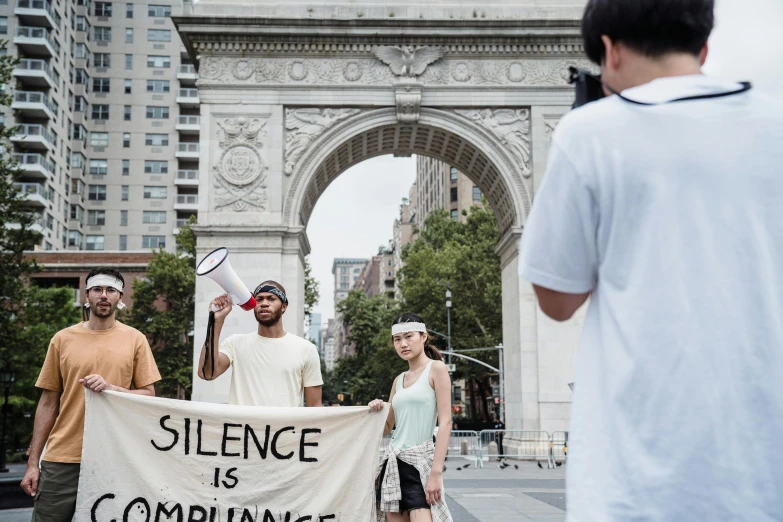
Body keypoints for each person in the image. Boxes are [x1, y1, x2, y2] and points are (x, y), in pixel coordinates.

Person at [518, 0, 783, 520]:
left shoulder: (589, 133)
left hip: (638, 474)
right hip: (763, 465)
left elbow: (556, 298)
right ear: (703, 45)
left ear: (609, 50)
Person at [20, 267, 161, 521]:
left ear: (121, 297)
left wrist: (113, 389)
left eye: (111, 290)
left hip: (114, 455)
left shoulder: (135, 339)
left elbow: (149, 395)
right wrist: (33, 463)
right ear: (87, 295)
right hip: (63, 455)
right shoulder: (62, 339)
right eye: (97, 289)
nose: (104, 295)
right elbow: (48, 404)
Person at [369, 313, 453, 522]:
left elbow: (446, 422)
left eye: (409, 337)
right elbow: (387, 427)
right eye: (397, 339)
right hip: (394, 466)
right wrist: (375, 409)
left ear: (423, 337)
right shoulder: (398, 380)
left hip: (420, 465)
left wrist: (436, 473)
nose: (403, 344)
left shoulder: (436, 369)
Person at [197, 280, 323, 407]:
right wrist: (216, 320)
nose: (264, 303)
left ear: (283, 306)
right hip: (243, 427)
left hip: (284, 427)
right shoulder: (235, 343)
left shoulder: (306, 349)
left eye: (271, 299)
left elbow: (315, 406)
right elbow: (207, 373)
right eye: (259, 299)